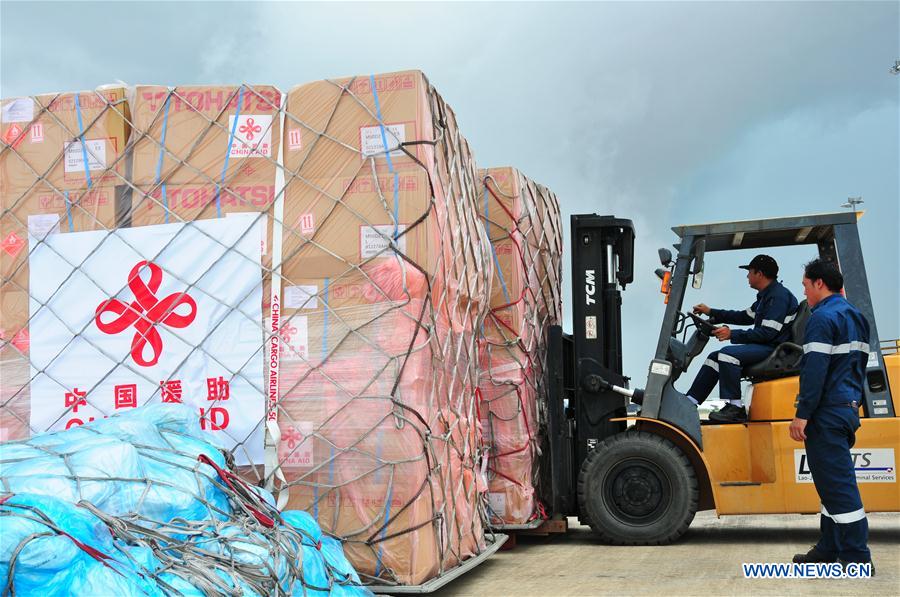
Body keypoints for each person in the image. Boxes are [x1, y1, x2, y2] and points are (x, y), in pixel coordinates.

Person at [789, 258, 873, 571]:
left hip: (826, 412)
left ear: (819, 284)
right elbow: (858, 368)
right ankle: (829, 546)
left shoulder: (822, 318)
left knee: (838, 486)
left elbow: (814, 371)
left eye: (806, 286)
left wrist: (802, 414)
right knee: (829, 484)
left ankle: (856, 557)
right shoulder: (857, 317)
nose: (806, 293)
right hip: (847, 408)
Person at [686, 254, 799, 423]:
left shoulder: (778, 298)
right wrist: (712, 312)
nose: (747, 276)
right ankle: (689, 402)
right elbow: (744, 316)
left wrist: (732, 334)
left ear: (759, 274)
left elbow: (768, 334)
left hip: (773, 348)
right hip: (766, 345)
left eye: (750, 272)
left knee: (727, 354)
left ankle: (735, 408)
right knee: (714, 358)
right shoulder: (766, 296)